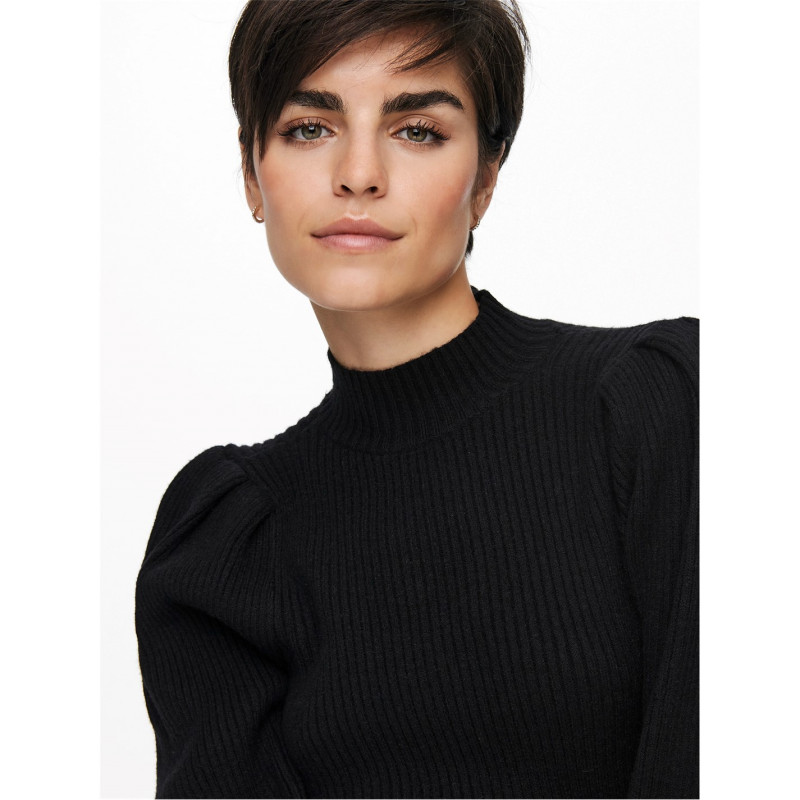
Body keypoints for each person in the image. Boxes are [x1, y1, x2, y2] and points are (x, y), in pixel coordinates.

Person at [134, 1, 699, 797]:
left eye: (417, 131)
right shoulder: (228, 542)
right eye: (309, 128)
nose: (358, 174)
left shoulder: (657, 404)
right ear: (252, 173)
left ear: (486, 179)